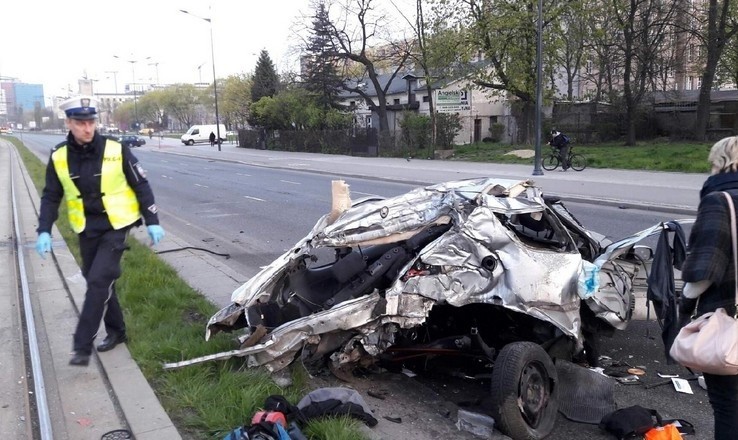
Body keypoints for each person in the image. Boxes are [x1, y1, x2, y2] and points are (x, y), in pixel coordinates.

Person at [34, 95, 165, 367]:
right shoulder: (59, 156)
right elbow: (50, 196)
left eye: (91, 121)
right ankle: (117, 331)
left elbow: (141, 184)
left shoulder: (116, 149)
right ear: (69, 122)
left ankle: (82, 346)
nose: (87, 128)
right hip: (86, 228)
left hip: (117, 226)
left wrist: (152, 220)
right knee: (103, 281)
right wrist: (44, 229)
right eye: (80, 122)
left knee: (96, 282)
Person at [680, 135, 738, 440]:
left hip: (728, 317)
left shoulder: (720, 200)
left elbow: (704, 271)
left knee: (728, 405)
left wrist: (684, 307)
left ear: (720, 161)